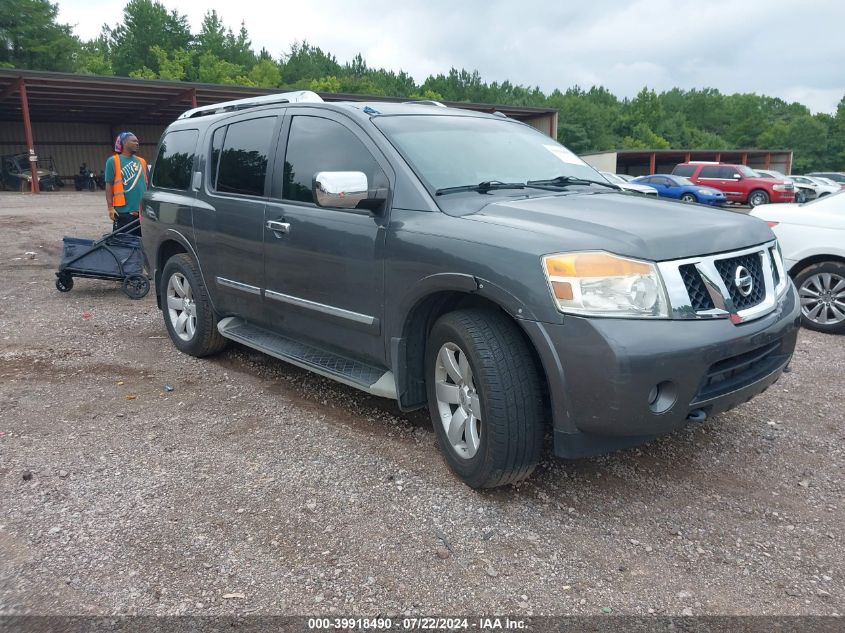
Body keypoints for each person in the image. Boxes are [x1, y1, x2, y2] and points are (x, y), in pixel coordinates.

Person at [105, 132, 147, 236]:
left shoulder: (142, 162)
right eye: (133, 141)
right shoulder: (113, 161)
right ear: (124, 143)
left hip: (143, 212)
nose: (137, 143)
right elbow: (109, 185)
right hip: (124, 212)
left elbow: (146, 184)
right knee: (124, 243)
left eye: (137, 141)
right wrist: (110, 207)